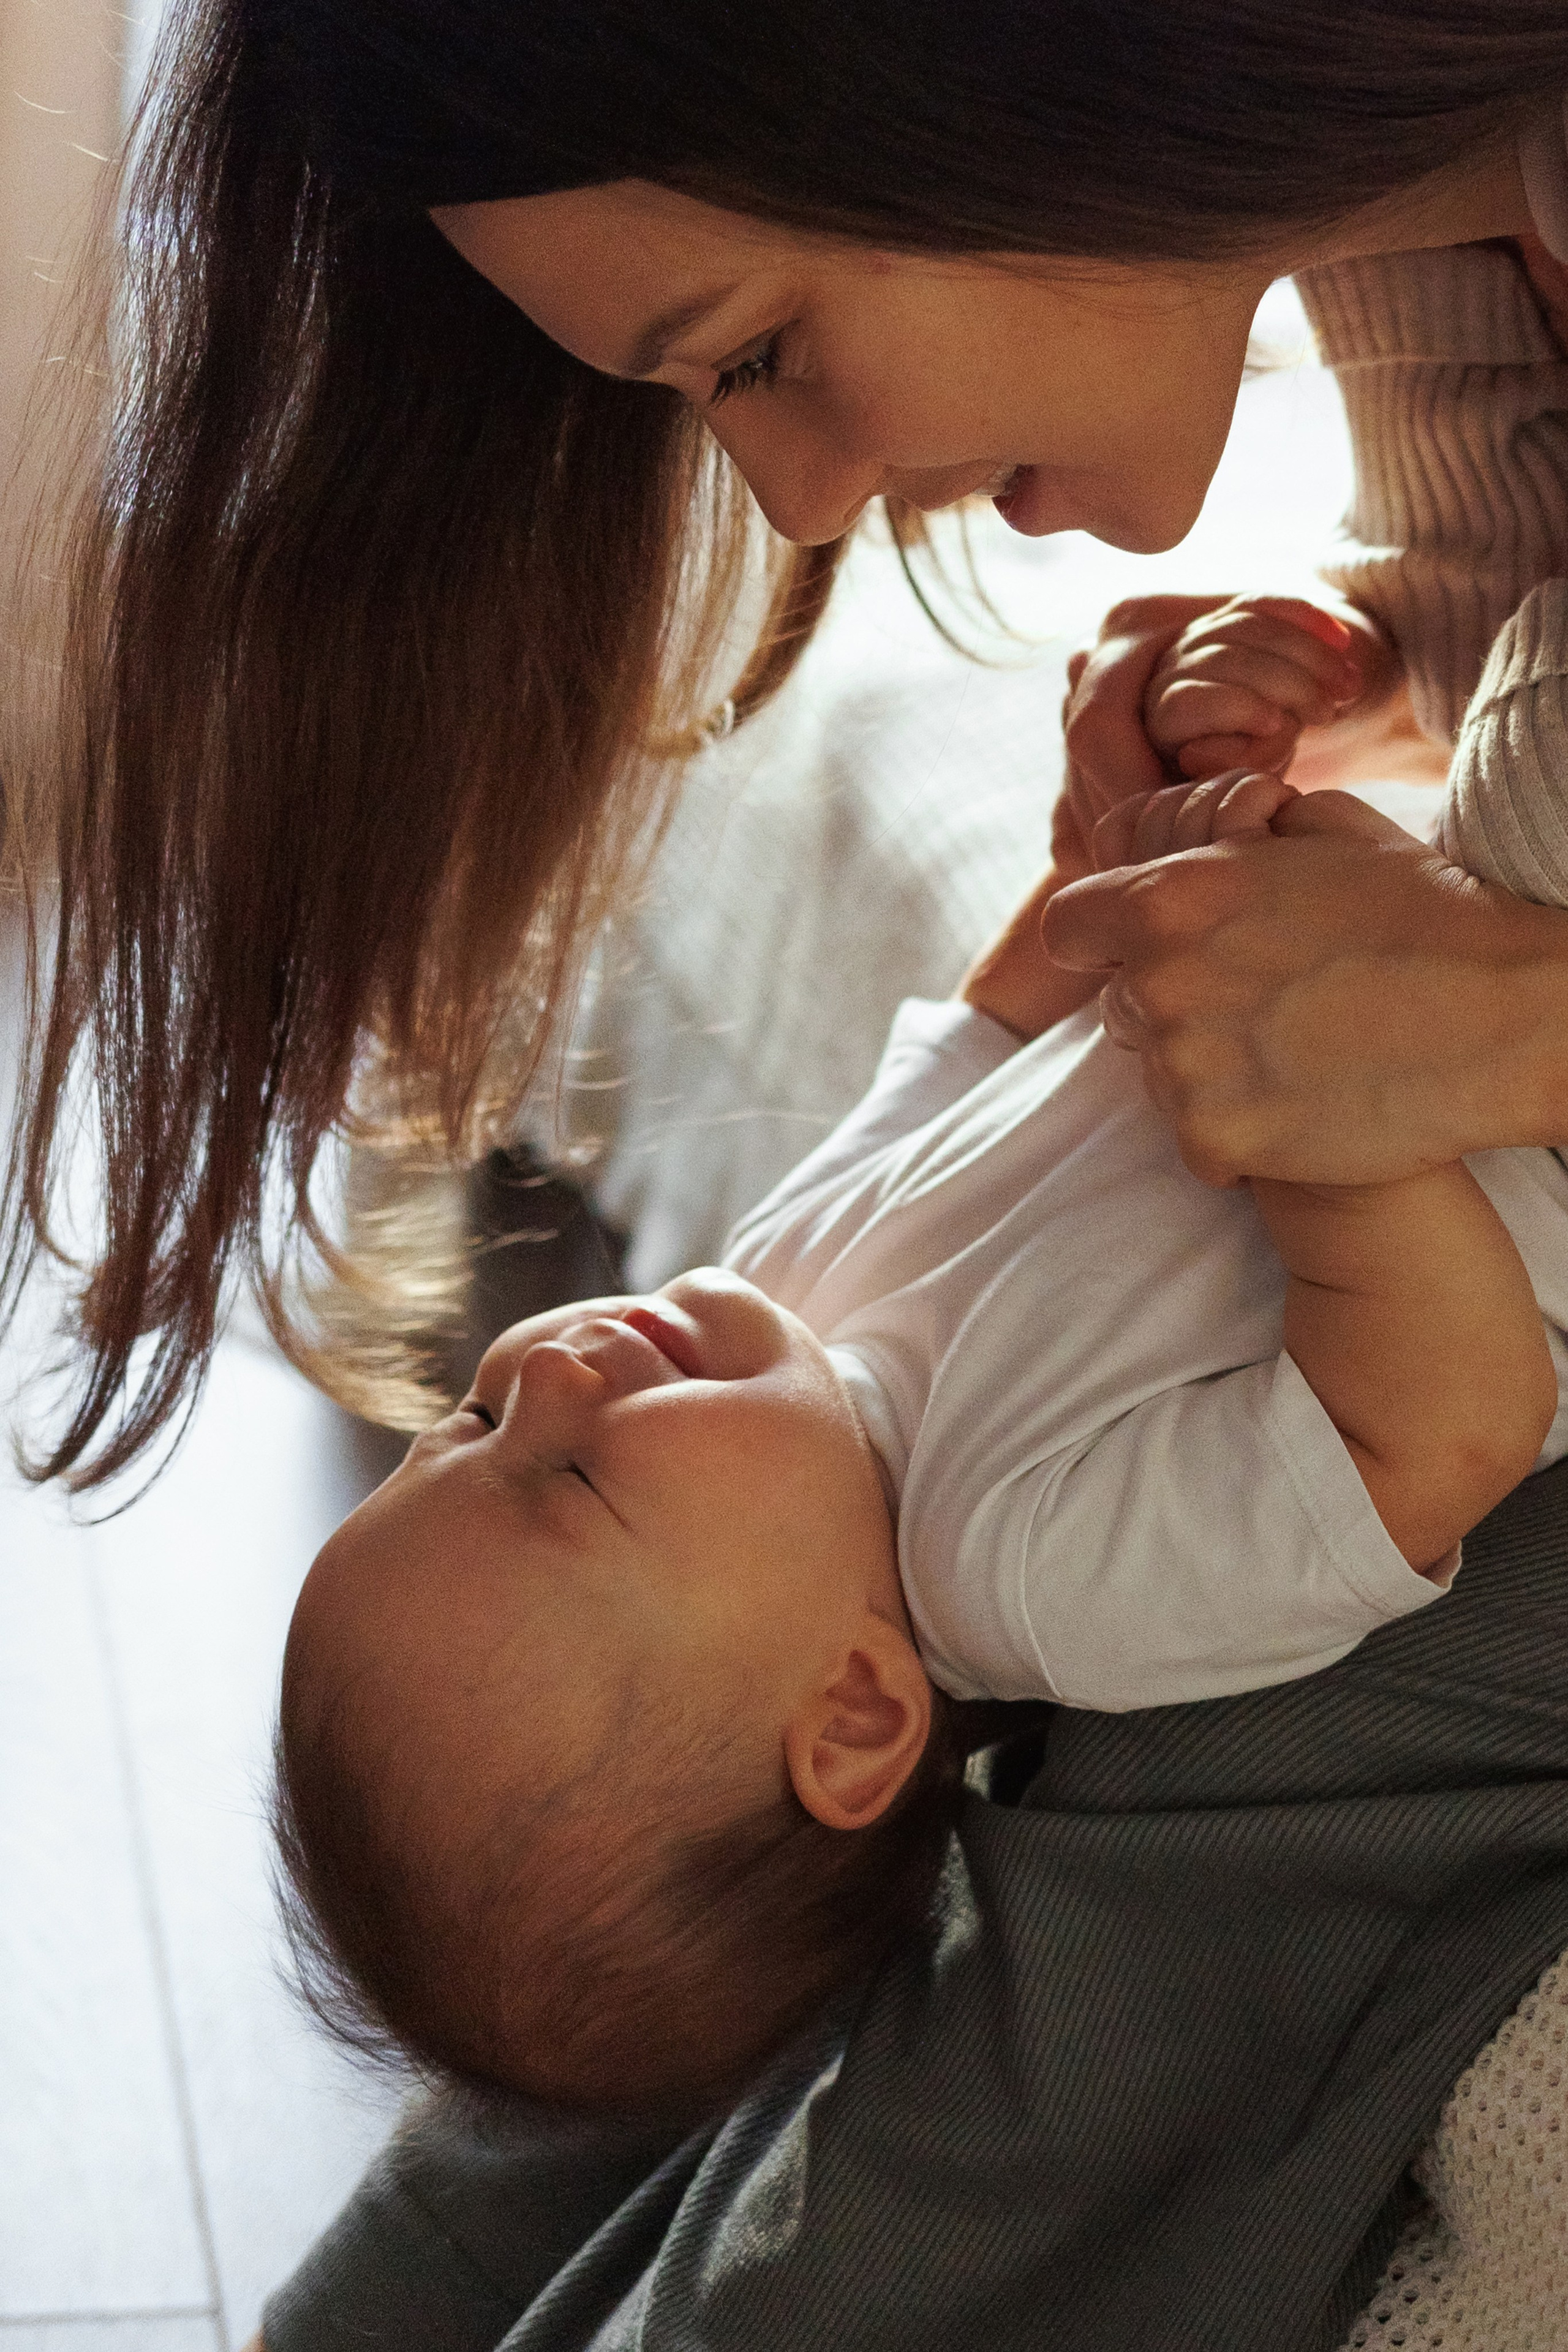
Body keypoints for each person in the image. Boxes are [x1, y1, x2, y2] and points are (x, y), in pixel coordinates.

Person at [3, 2, 1564, 2345]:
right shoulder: (982, 1517)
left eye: (750, 353)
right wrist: (1315, 701)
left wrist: (1356, 1025)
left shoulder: (848, 1389)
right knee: (631, 1886)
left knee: (1116, 1851)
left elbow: (1053, 1060)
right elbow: (1469, 627)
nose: (806, 504)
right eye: (553, 1476)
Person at [274, 753, 1564, 2134]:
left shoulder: (780, 1299)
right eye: (574, 1482)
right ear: (855, 1714)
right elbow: (1440, 1424)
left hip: (1408, 925)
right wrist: (1309, 1080)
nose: (547, 1377)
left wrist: (1130, 825)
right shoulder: (1036, 1574)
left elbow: (998, 1028)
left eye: (466, 1423)